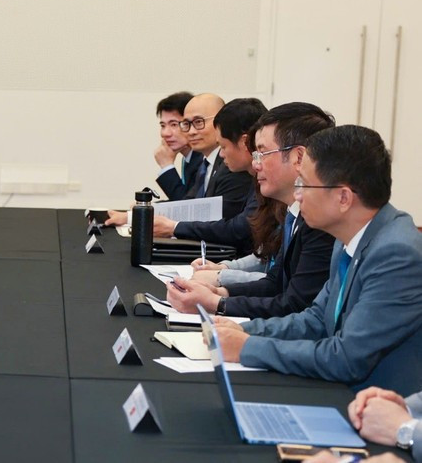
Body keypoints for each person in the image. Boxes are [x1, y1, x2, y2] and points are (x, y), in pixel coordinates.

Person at [210, 125, 422, 395]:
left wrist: (247, 347)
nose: (296, 196)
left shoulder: (396, 254)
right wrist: (247, 330)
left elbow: (346, 358)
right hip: (338, 392)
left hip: (375, 413)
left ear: (343, 197)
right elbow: (316, 319)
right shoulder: (349, 235)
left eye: (303, 184)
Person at [168, 103, 336, 318]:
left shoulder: (321, 222)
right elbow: (274, 283)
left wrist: (218, 302)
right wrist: (220, 293)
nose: (256, 165)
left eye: (262, 154)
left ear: (299, 158)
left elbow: (294, 304)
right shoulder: (294, 213)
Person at [153, 98, 265, 255]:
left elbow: (237, 228)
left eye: (199, 122)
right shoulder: (206, 163)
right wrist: (143, 213)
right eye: (186, 124)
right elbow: (191, 204)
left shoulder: (235, 170)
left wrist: (174, 227)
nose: (191, 131)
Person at [153, 91, 203, 201]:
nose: (165, 133)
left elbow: (188, 208)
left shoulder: (203, 159)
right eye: (163, 125)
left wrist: (167, 166)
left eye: (174, 124)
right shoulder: (189, 158)